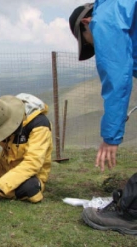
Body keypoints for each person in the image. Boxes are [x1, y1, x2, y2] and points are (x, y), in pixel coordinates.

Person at [69, 1, 137, 235]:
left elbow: (117, 77)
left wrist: (111, 136)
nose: (97, 48)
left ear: (87, 24)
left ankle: (130, 213)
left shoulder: (105, 17)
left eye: (91, 42)